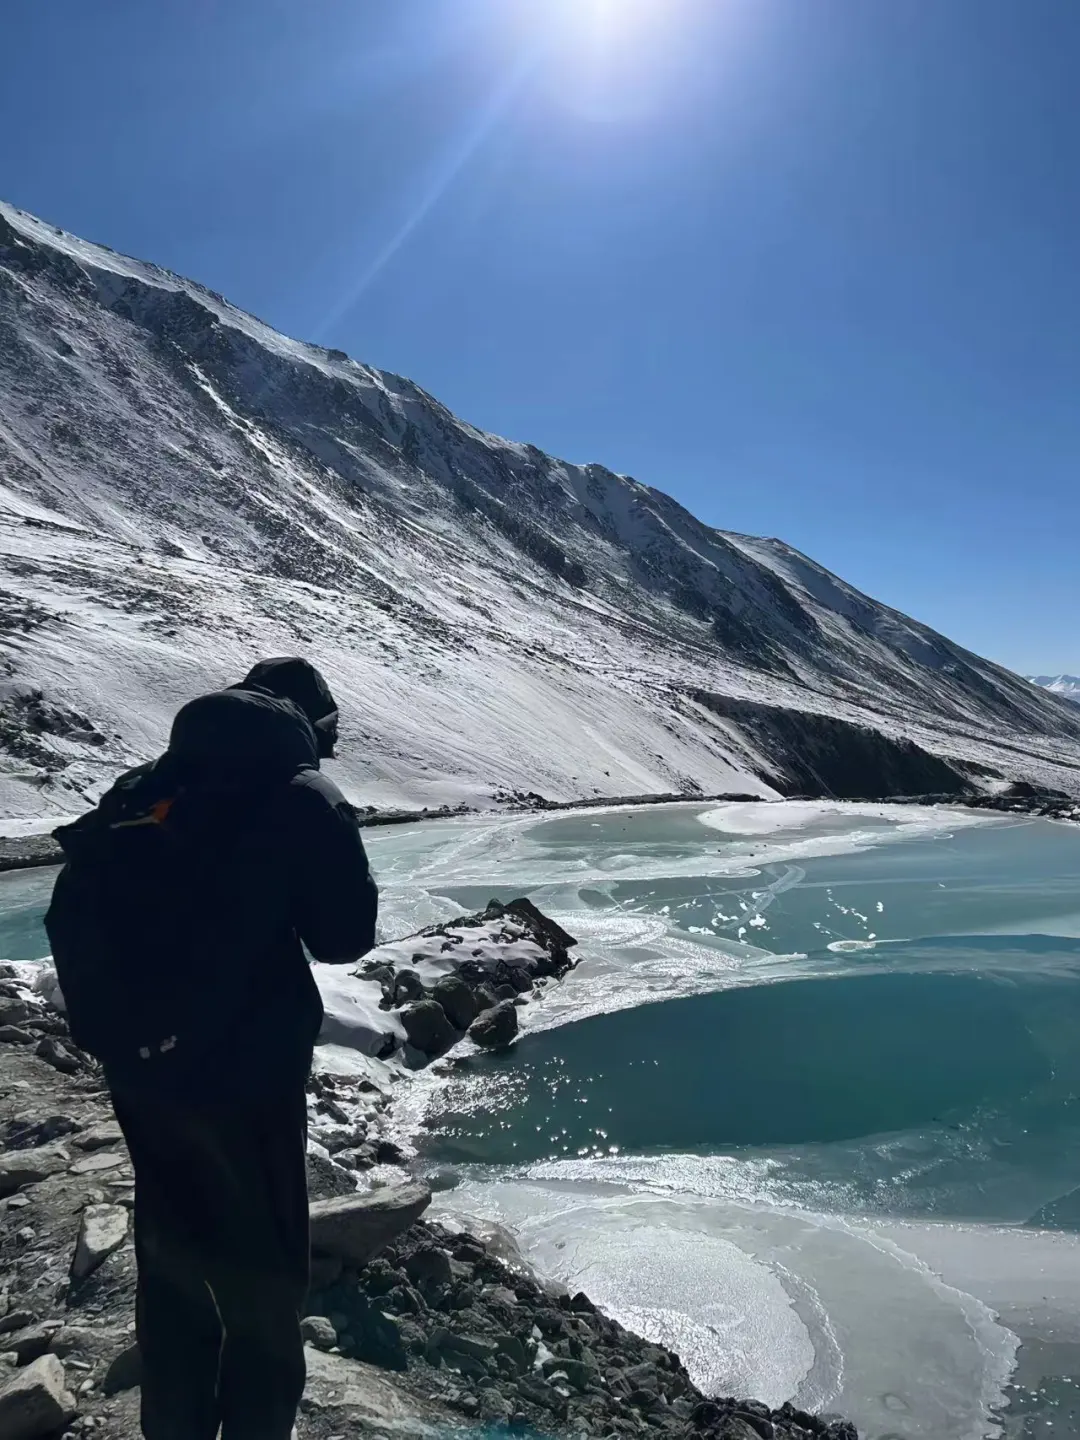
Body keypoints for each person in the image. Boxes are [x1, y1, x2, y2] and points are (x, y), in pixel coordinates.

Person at [45, 657, 378, 1440]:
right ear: (314, 723)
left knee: (172, 1266)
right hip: (248, 1075)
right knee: (263, 1287)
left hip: (141, 1068)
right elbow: (343, 938)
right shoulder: (301, 796)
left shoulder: (144, 788)